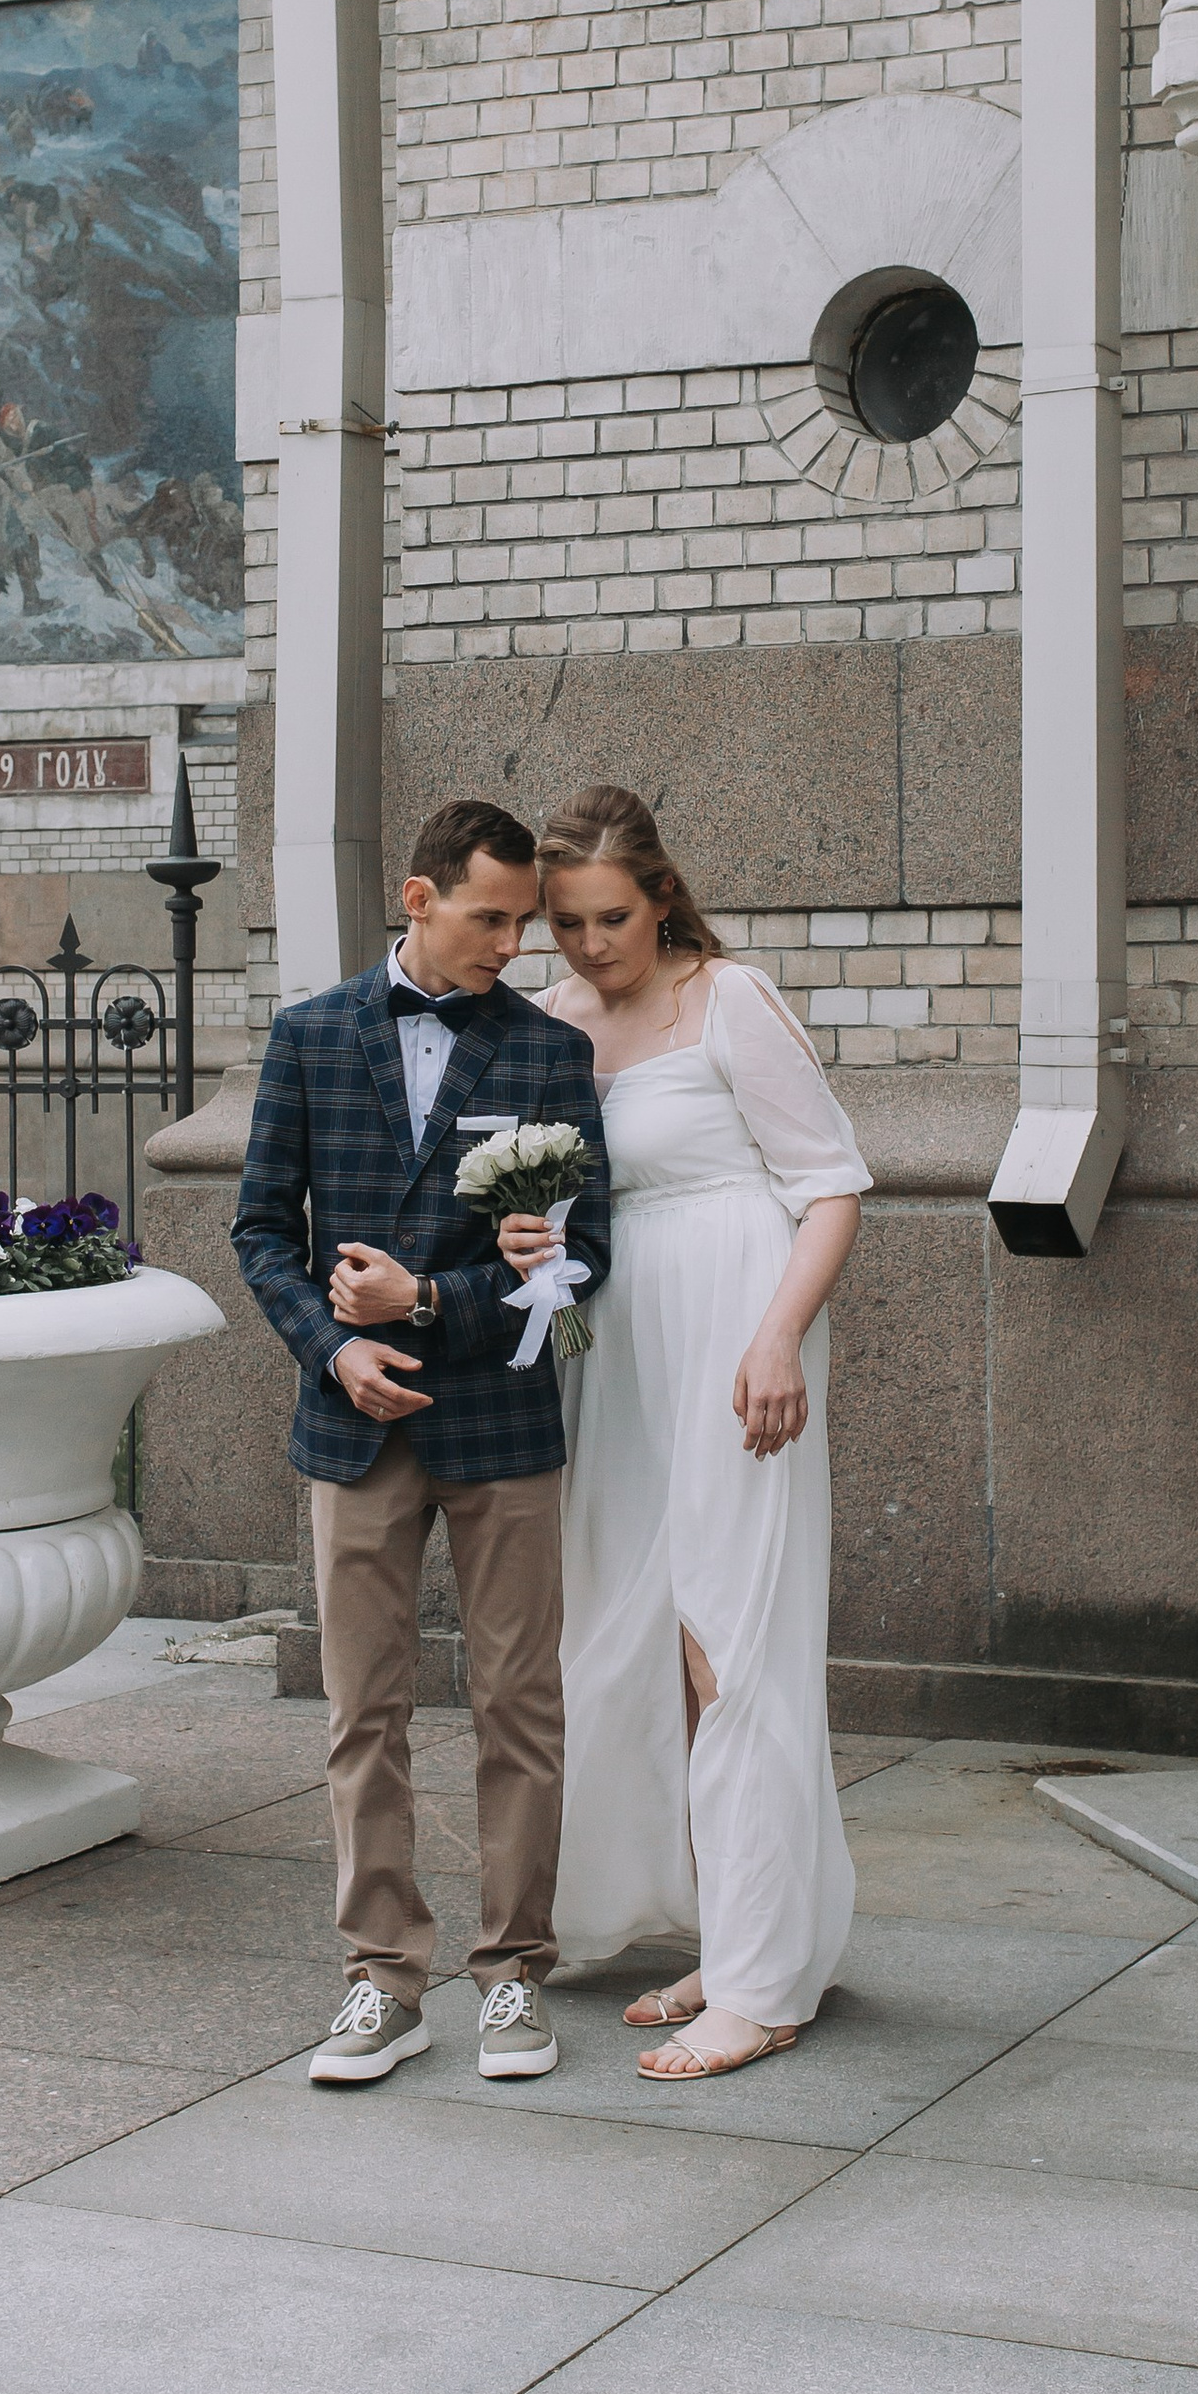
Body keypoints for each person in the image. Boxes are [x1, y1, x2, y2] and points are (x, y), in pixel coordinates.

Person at [233, 800, 611, 2090]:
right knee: (364, 1710)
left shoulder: (548, 1056)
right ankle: (381, 1978)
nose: (516, 942)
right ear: (418, 897)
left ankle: (511, 1973)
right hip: (355, 1425)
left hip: (501, 1425)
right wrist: (334, 1346)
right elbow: (258, 1235)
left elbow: (588, 1249)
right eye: (491, 916)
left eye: (524, 920)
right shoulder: (308, 1038)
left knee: (518, 1704)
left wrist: (437, 1301)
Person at [500, 782, 870, 2083]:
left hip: (732, 1329)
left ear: (660, 897)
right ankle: (738, 1935)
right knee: (646, 1641)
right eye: (567, 923)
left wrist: (776, 1341)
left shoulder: (732, 1000)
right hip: (619, 1353)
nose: (594, 946)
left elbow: (828, 1186)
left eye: (611, 917)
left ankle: (764, 1990)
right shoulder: (549, 1022)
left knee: (732, 1640)